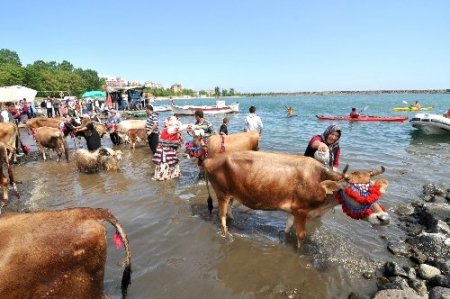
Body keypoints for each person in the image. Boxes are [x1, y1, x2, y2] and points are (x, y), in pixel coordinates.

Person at [152, 116, 185, 180]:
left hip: (165, 150)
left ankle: (163, 177)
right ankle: (165, 178)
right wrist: (190, 126)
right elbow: (180, 129)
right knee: (167, 164)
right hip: (167, 151)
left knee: (165, 164)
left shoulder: (166, 129)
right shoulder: (171, 129)